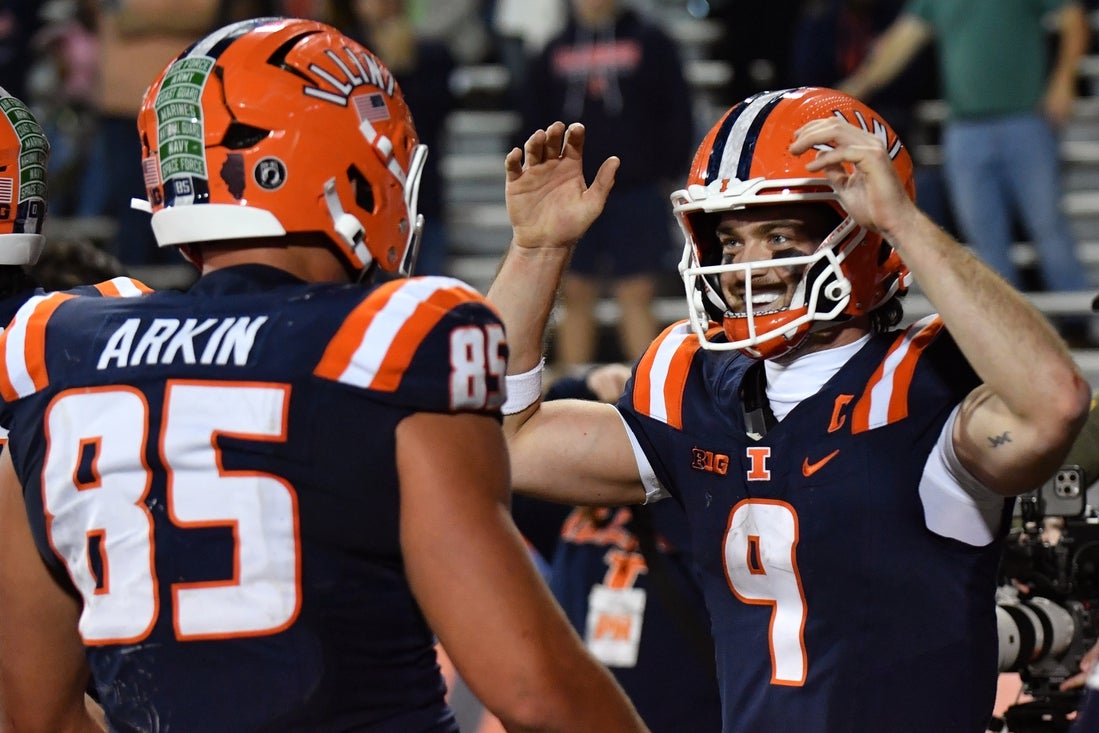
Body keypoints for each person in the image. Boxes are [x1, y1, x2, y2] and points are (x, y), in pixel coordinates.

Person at [0, 17, 648, 733]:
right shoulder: (382, 340)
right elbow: (533, 690)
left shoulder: (55, 351)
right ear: (348, 173)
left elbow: (38, 716)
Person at [488, 87, 1092, 732]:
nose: (747, 268)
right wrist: (538, 252)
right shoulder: (692, 382)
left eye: (778, 234)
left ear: (865, 236)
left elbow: (1054, 405)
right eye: (731, 240)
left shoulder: (920, 381)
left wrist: (906, 224)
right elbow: (505, 443)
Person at [838, 0, 1093, 300]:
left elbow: (1073, 19)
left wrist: (1064, 80)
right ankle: (1002, 324)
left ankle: (1082, 319)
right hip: (965, 130)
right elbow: (899, 44)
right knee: (985, 240)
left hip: (1025, 121)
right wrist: (851, 92)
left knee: (1048, 228)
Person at [521, 0, 694, 369]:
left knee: (637, 291)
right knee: (575, 292)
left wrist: (665, 170)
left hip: (636, 189)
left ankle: (646, 393)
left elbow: (676, 109)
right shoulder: (553, 47)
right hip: (570, 191)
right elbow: (533, 115)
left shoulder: (651, 41)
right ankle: (574, 389)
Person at [335, 0, 456, 277]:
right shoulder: (343, 54)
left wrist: (404, 70)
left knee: (424, 295)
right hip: (361, 203)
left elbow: (432, 117)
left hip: (421, 200)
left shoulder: (431, 55)